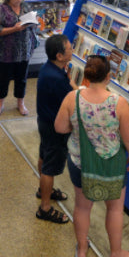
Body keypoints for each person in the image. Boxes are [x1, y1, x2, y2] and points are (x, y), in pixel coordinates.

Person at [54, 55, 129, 257]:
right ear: (109, 77)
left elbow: (60, 128)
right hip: (112, 165)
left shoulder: (72, 98)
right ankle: (117, 253)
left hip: (80, 163)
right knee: (115, 208)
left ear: (86, 75)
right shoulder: (119, 104)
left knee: (82, 207)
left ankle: (82, 248)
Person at [35, 34, 76, 224]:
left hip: (45, 122)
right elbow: (71, 102)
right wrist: (76, 90)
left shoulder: (49, 69)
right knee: (50, 168)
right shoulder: (57, 79)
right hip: (56, 128)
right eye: (69, 48)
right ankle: (44, 208)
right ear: (59, 56)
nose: (73, 49)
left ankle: (45, 190)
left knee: (44, 155)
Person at [0, 0, 37, 116]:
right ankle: (0, 104)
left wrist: (34, 23)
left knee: (22, 78)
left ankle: (20, 103)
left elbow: (32, 25)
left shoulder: (25, 7)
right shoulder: (1, 9)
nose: (19, 0)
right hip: (6, 51)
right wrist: (14, 29)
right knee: (4, 78)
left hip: (24, 50)